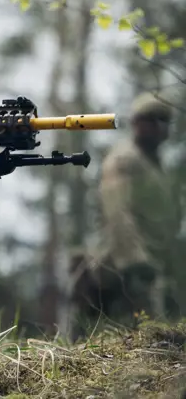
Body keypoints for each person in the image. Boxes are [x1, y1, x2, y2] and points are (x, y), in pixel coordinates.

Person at [72, 92, 179, 333]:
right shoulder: (125, 159)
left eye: (164, 120)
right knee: (145, 341)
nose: (159, 126)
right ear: (137, 122)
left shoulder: (156, 166)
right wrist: (135, 262)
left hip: (151, 266)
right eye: (152, 119)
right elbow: (118, 213)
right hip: (122, 268)